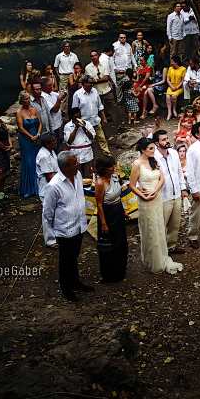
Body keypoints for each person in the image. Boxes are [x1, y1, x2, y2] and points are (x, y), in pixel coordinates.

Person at [42, 151, 92, 301]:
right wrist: (50, 238)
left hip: (79, 225)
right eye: (75, 163)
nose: (78, 164)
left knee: (74, 257)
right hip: (64, 230)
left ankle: (75, 282)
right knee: (65, 260)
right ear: (65, 167)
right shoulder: (54, 186)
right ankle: (66, 288)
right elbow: (47, 213)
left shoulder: (77, 175)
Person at [130, 137, 183, 274]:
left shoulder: (154, 160)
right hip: (146, 201)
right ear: (143, 150)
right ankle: (153, 259)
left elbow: (162, 179)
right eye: (151, 149)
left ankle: (162, 256)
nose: (154, 151)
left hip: (157, 197)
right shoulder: (137, 164)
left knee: (159, 226)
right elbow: (131, 185)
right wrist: (143, 195)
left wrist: (155, 191)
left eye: (154, 148)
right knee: (151, 229)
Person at [93, 156, 129, 282]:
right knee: (109, 245)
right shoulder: (100, 183)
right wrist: (103, 223)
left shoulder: (115, 177)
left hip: (117, 210)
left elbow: (119, 196)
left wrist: (123, 211)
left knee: (121, 243)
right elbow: (99, 204)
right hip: (107, 213)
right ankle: (108, 274)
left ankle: (120, 271)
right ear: (104, 169)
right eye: (111, 167)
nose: (113, 168)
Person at [153, 130, 188, 255]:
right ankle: (160, 250)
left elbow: (179, 173)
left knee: (175, 223)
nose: (167, 141)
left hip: (177, 194)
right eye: (163, 139)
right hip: (163, 196)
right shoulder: (154, 157)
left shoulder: (173, 153)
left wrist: (183, 189)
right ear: (156, 143)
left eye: (167, 138)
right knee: (162, 224)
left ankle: (171, 246)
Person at [72, 75, 110, 155]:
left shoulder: (95, 91)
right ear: (83, 84)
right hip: (85, 123)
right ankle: (92, 157)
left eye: (92, 83)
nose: (91, 85)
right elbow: (75, 110)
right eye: (89, 83)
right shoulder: (77, 94)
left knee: (102, 139)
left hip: (96, 120)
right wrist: (78, 122)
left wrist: (104, 117)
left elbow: (100, 105)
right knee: (88, 141)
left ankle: (107, 154)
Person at [16, 92, 41, 198]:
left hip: (36, 137)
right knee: (29, 162)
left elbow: (40, 123)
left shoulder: (34, 109)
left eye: (28, 99)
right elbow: (20, 128)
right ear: (21, 100)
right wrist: (31, 136)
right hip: (26, 139)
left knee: (37, 160)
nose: (28, 101)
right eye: (25, 99)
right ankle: (28, 188)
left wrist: (38, 133)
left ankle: (40, 186)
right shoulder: (19, 112)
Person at [85, 49, 116, 124]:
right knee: (99, 110)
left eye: (95, 55)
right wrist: (97, 80)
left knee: (113, 108)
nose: (93, 57)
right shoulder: (88, 67)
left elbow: (106, 78)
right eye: (92, 56)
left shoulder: (103, 65)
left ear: (98, 56)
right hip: (96, 92)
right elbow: (90, 80)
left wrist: (95, 80)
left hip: (106, 90)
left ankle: (118, 124)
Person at [64, 107, 96, 178]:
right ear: (71, 117)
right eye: (76, 117)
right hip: (75, 153)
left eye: (79, 116)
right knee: (78, 175)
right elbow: (69, 141)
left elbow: (92, 137)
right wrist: (76, 128)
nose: (78, 118)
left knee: (89, 175)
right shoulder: (67, 126)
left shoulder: (87, 123)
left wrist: (84, 127)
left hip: (87, 152)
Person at [42, 77, 66, 148]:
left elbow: (62, 95)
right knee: (54, 146)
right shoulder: (43, 97)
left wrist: (64, 93)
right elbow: (54, 110)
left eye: (52, 85)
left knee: (60, 144)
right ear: (43, 87)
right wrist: (59, 100)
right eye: (49, 85)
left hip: (59, 123)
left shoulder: (52, 93)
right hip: (53, 126)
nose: (52, 87)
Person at [164, 55, 186, 120]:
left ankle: (174, 109)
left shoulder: (183, 69)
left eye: (172, 61)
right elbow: (167, 79)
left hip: (179, 87)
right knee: (168, 96)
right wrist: (171, 86)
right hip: (171, 86)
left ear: (176, 62)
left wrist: (176, 87)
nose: (171, 63)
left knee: (174, 96)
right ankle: (169, 112)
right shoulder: (170, 68)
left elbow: (183, 80)